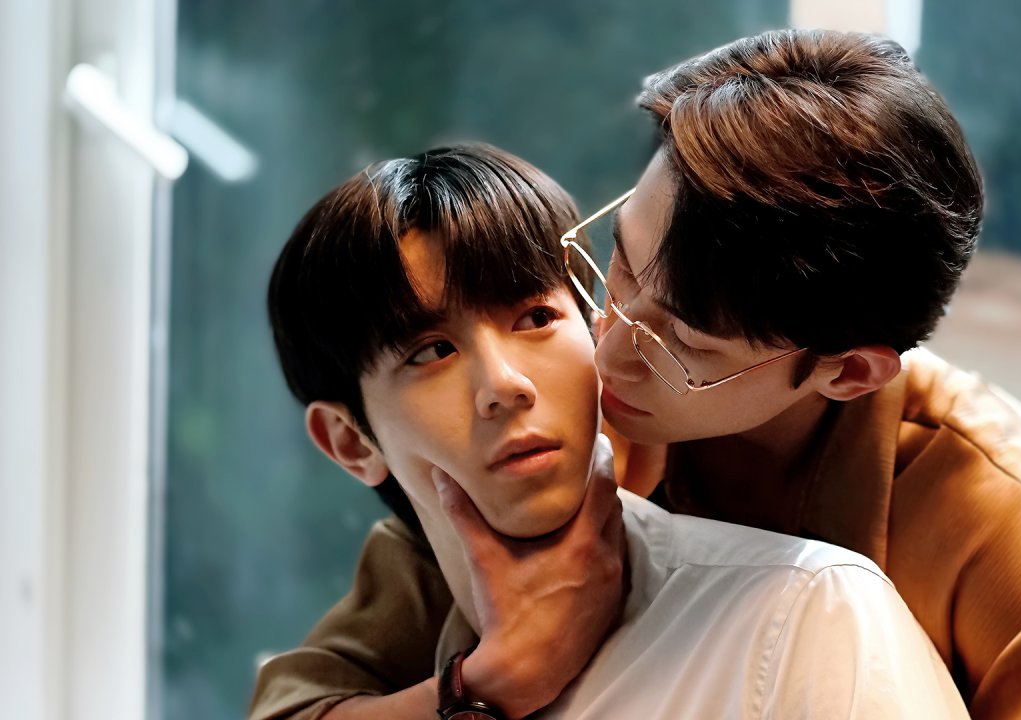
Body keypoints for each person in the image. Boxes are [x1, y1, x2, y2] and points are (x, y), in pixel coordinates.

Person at [252, 30, 1021, 720]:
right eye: (616, 262)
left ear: (847, 371)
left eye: (681, 342)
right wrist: (490, 684)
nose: (606, 348)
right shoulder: (543, 423)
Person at [258, 143, 968, 719]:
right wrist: (487, 687)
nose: (505, 384)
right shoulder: (407, 600)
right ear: (350, 442)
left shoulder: (813, 616)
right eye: (431, 352)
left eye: (536, 317)